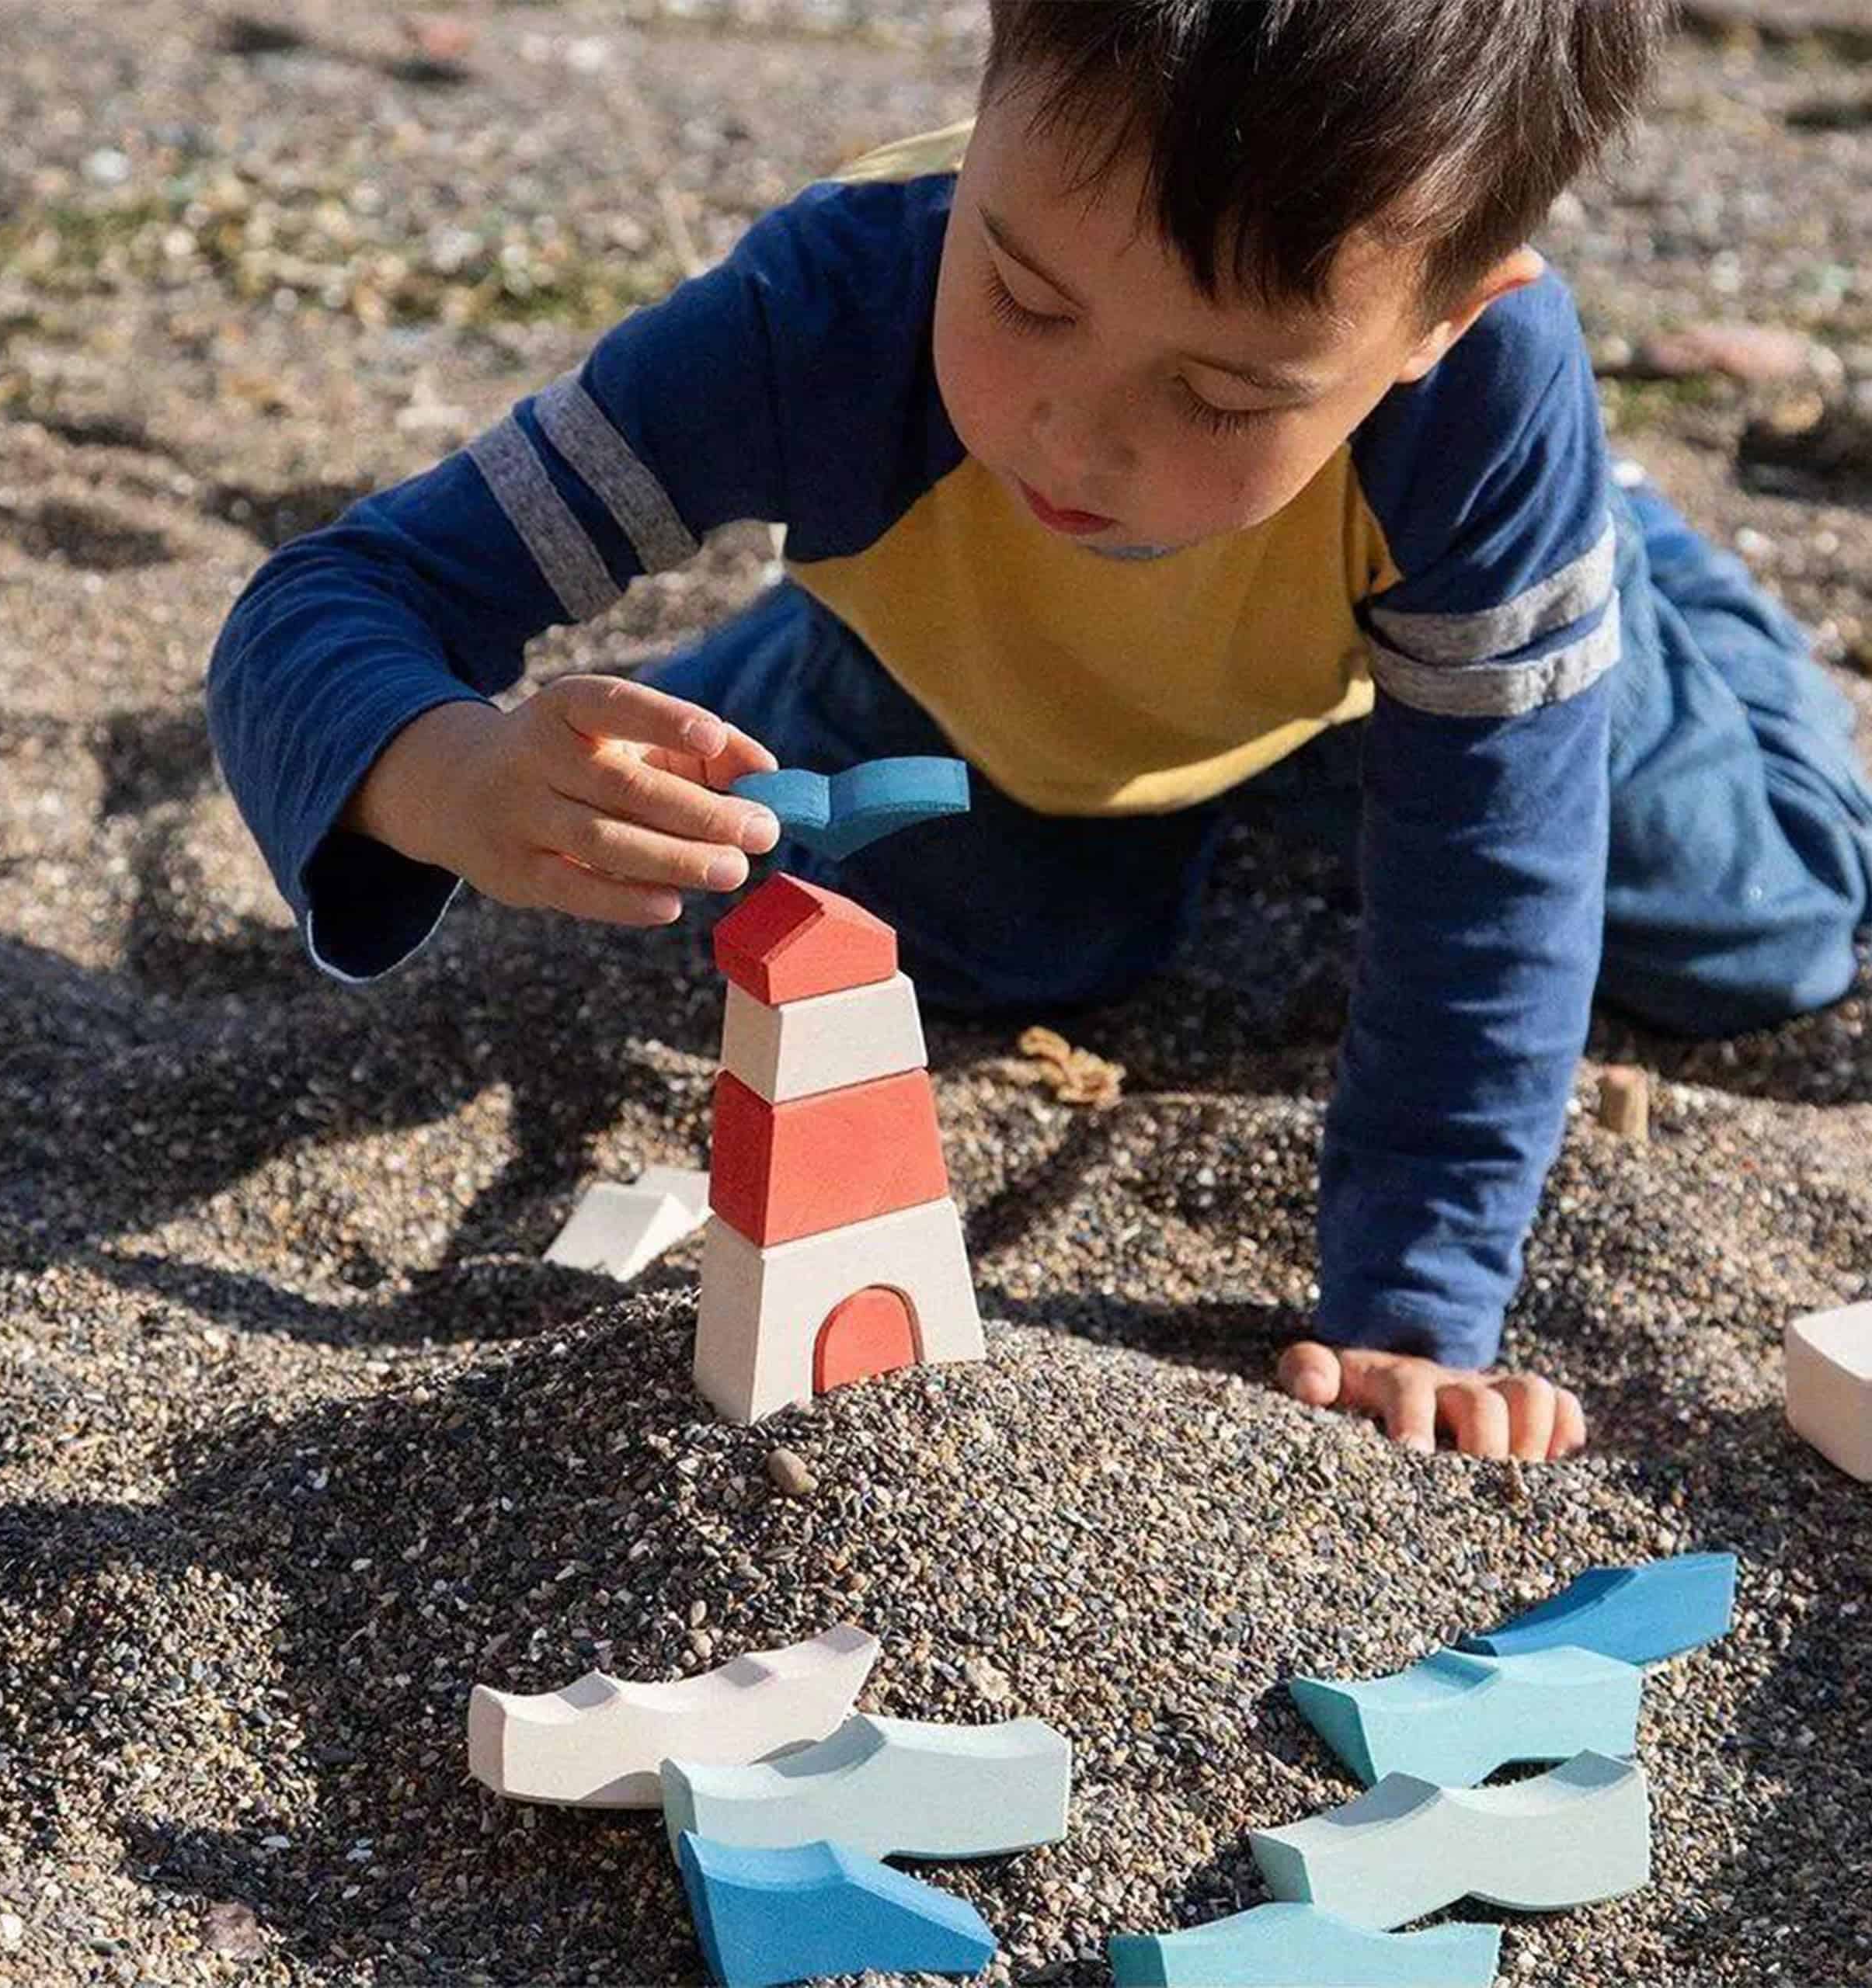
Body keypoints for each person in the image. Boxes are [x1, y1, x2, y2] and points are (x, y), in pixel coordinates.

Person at [206, 0, 1872, 1462]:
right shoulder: (827, 313)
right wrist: (447, 773)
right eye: (1022, 296)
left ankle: (1620, 566)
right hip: (987, 686)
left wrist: (1414, 1302)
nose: (1076, 434)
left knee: (1766, 928)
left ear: (1441, 319)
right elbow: (335, 597)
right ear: (992, 70)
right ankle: (816, 655)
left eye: (1223, 393)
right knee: (1008, 943)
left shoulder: (1481, 398)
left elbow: (1490, 888)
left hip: (1398, 652)